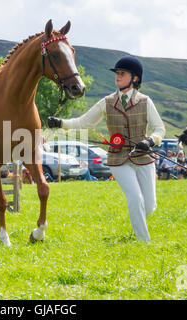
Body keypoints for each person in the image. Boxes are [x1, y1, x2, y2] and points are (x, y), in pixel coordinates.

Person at [48, 56, 165, 242]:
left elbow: (160, 129)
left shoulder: (145, 101)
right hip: (118, 159)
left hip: (143, 156)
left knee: (149, 205)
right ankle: (144, 242)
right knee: (135, 198)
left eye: (122, 73)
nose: (117, 76)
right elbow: (83, 122)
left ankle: (138, 225)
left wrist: (151, 141)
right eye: (116, 73)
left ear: (134, 78)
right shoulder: (106, 102)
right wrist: (60, 123)